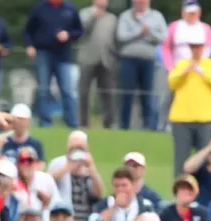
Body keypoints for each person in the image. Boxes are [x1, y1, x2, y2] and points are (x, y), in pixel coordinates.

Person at [167, 28, 211, 174]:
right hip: (181, 118)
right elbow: (172, 82)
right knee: (181, 160)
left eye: (198, 46)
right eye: (192, 46)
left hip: (205, 118)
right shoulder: (181, 64)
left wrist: (201, 72)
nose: (195, 50)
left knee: (205, 160)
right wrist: (185, 72)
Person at [24, 0, 84, 128]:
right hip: (43, 53)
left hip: (63, 55)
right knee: (43, 89)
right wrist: (30, 46)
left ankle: (72, 123)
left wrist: (68, 35)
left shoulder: (70, 9)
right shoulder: (39, 8)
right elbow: (28, 31)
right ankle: (45, 122)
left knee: (68, 90)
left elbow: (79, 31)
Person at [115, 0, 166, 132]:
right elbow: (121, 36)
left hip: (148, 60)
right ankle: (124, 126)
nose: (140, 2)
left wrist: (148, 32)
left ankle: (148, 126)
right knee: (127, 93)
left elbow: (163, 37)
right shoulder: (125, 16)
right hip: (128, 59)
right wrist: (139, 31)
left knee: (147, 94)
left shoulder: (157, 16)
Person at [77, 0, 117, 130]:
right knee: (84, 91)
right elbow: (80, 32)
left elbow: (115, 38)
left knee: (108, 93)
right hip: (87, 58)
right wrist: (93, 17)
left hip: (105, 59)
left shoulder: (112, 18)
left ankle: (108, 123)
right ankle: (83, 123)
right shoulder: (84, 14)